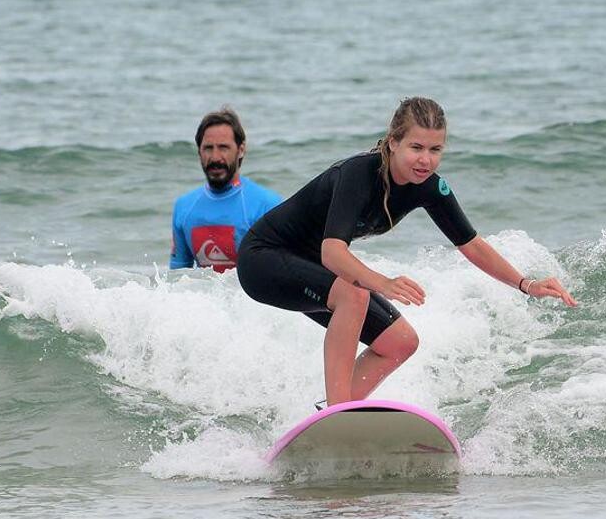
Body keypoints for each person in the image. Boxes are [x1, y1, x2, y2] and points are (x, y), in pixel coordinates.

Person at [237, 97, 576, 406]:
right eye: (416, 146)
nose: (425, 159)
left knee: (399, 342)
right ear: (394, 142)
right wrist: (382, 282)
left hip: (311, 267)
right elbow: (332, 254)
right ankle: (340, 413)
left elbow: (471, 244)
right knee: (353, 296)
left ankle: (326, 416)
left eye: (435, 149)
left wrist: (525, 284)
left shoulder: (428, 187)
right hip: (263, 259)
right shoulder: (358, 174)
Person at [170, 107, 282, 272]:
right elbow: (177, 277)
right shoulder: (184, 208)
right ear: (199, 151)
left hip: (246, 298)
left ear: (241, 150)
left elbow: (279, 274)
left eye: (223, 147)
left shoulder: (268, 205)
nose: (215, 157)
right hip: (205, 297)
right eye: (208, 148)